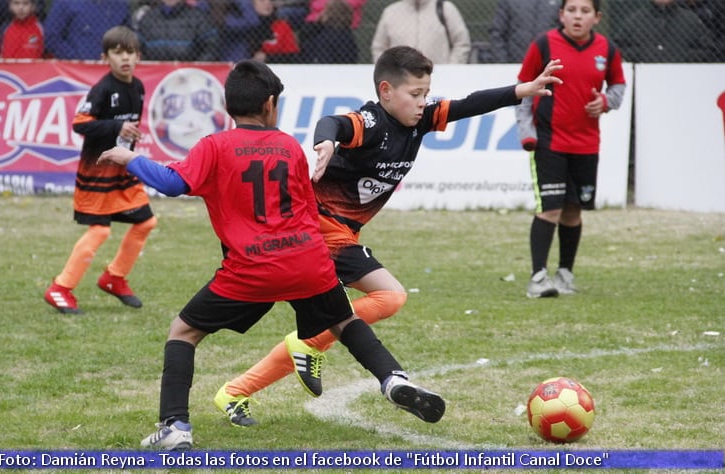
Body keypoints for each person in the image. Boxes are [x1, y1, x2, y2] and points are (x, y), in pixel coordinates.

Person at [97, 60, 447, 450]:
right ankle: (393, 379)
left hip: (250, 268)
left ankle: (176, 426)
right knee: (345, 322)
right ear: (269, 104)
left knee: (183, 331)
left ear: (229, 106)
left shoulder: (214, 146)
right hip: (307, 261)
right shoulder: (287, 147)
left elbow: (173, 182)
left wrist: (130, 159)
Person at [212, 46, 563, 427]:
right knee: (388, 296)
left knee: (346, 313)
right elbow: (335, 122)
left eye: (426, 94)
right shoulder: (372, 121)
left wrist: (520, 90)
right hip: (318, 227)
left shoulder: (419, 121)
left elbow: (467, 105)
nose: (422, 102)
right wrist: (327, 142)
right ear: (385, 91)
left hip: (336, 232)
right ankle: (307, 343)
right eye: (415, 94)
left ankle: (235, 391)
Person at [515, 0, 626, 298]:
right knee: (550, 209)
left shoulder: (608, 49)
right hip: (549, 142)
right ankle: (538, 278)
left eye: (585, 11)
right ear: (562, 14)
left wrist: (604, 102)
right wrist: (527, 132)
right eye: (572, 10)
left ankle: (565, 274)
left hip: (587, 145)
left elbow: (618, 86)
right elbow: (524, 87)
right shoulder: (543, 45)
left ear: (597, 17)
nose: (578, 16)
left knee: (573, 212)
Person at [43, 26, 156, 315]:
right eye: (117, 53)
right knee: (99, 231)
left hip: (124, 171)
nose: (125, 59)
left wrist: (127, 139)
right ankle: (60, 288)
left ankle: (114, 278)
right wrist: (117, 126)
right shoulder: (102, 89)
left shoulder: (139, 88)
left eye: (129, 52)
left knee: (145, 222)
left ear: (138, 56)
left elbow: (127, 130)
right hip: (98, 173)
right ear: (105, 58)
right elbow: (80, 123)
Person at [613, 0, 717, 62]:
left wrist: (679, 56)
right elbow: (618, 49)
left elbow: (709, 51)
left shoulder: (691, 20)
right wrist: (644, 55)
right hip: (645, 79)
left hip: (684, 78)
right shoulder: (635, 20)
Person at [371, 0, 471, 64]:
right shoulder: (390, 12)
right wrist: (388, 72)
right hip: (400, 82)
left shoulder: (446, 9)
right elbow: (379, 47)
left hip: (440, 78)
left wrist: (451, 68)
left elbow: (461, 42)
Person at [44, 0, 131, 60]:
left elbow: (128, 37)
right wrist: (74, 57)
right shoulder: (66, 2)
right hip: (76, 72)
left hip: (112, 69)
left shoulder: (120, 5)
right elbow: (51, 36)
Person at [136, 0, 219, 61]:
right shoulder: (148, 18)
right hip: (155, 79)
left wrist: (194, 70)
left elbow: (211, 49)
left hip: (189, 80)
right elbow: (137, 49)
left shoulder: (198, 18)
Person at [485, 0, 561, 63]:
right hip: (515, 63)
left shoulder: (559, 2)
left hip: (549, 64)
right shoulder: (508, 2)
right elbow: (497, 33)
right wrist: (503, 62)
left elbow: (565, 32)